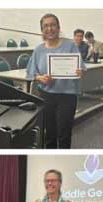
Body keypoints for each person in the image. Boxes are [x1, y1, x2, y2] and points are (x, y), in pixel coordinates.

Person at [27, 14, 86, 149]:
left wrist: (79, 71)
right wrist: (39, 78)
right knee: (50, 135)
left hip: (67, 96)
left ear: (58, 27)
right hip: (47, 96)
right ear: (42, 30)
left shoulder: (70, 46)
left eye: (53, 24)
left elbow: (80, 68)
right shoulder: (38, 50)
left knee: (64, 134)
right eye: (46, 26)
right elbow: (31, 73)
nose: (50, 28)